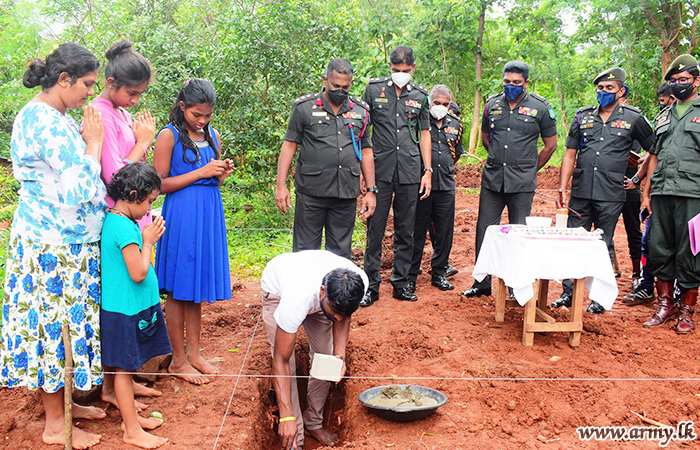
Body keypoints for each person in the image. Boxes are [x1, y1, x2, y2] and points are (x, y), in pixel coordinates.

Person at [0, 43, 107, 449]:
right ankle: (53, 424)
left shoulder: (54, 116)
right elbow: (80, 187)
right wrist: (93, 143)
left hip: (67, 241)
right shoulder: (44, 121)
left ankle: (65, 405)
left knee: (68, 322)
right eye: (86, 84)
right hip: (51, 247)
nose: (88, 94)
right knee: (54, 327)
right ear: (63, 79)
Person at [92, 39, 163, 410]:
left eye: (140, 94)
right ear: (110, 82)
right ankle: (114, 384)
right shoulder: (100, 113)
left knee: (132, 307)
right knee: (122, 306)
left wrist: (141, 143)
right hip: (119, 217)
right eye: (131, 93)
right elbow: (115, 176)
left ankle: (123, 381)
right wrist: (145, 141)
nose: (135, 100)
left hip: (134, 216)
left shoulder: (119, 112)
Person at [555, 67, 655, 314]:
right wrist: (562, 185)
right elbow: (570, 153)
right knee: (573, 242)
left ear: (621, 91)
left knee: (603, 244)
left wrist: (643, 184)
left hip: (611, 193)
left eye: (609, 88)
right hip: (581, 191)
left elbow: (654, 149)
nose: (603, 92)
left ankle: (599, 298)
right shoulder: (583, 116)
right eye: (599, 88)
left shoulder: (634, 118)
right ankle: (568, 293)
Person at [153, 79, 234, 384]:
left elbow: (216, 181)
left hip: (208, 211)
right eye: (196, 115)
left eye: (207, 116)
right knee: (178, 288)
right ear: (182, 106)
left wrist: (220, 172)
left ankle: (195, 354)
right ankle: (177, 360)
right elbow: (158, 185)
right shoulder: (168, 135)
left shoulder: (212, 135)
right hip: (183, 213)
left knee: (196, 287)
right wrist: (200, 172)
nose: (202, 121)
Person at [462, 60, 558, 298]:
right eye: (507, 82)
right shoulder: (492, 104)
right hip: (493, 180)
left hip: (522, 184)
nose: (511, 86)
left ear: (526, 83)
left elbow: (551, 145)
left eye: (516, 82)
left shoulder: (540, 107)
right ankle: (482, 284)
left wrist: (530, 168)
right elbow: (486, 138)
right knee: (484, 231)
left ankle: (516, 287)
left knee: (519, 234)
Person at [261, 250, 368, 449]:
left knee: (326, 359)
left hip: (317, 297)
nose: (336, 318)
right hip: (278, 291)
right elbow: (281, 362)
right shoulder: (295, 299)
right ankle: (295, 439)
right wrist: (286, 418)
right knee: (288, 366)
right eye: (334, 310)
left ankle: (313, 423)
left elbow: (343, 316)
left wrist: (339, 356)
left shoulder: (358, 283)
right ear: (322, 292)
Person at [275, 58, 376, 258]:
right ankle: (306, 290)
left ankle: (334, 291)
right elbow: (289, 146)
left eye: (345, 87)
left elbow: (366, 151)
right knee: (305, 253)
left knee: (340, 255)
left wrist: (371, 191)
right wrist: (281, 185)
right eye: (335, 85)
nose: (340, 90)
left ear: (351, 84)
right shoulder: (304, 107)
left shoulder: (361, 111)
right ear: (325, 80)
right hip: (312, 193)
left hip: (345, 193)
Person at [101, 163, 171, 449]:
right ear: (133, 194)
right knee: (124, 370)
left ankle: (132, 418)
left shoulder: (117, 220)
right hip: (125, 310)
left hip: (126, 307)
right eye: (149, 201)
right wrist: (149, 241)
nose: (149, 209)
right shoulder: (127, 231)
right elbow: (139, 272)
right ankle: (131, 430)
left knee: (124, 367)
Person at [360, 45, 432, 306]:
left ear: (413, 68)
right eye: (395, 70)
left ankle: (401, 283)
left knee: (406, 229)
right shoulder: (372, 90)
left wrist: (428, 171)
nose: (400, 74)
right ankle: (371, 286)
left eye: (405, 70)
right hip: (379, 170)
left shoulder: (422, 95)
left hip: (410, 170)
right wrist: (363, 173)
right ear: (389, 68)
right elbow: (363, 131)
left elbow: (425, 134)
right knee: (375, 229)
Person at [641, 54, 700, 333]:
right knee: (659, 247)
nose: (678, 85)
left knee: (691, 251)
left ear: (696, 81)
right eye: (674, 81)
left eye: (683, 80)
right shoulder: (663, 115)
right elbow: (653, 156)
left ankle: (687, 311)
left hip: (693, 194)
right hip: (662, 192)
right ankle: (665, 305)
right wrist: (646, 193)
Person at [622, 82, 676, 306]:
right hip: (660, 190)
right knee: (651, 240)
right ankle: (647, 286)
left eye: (664, 102)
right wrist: (639, 183)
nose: (662, 106)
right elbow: (652, 156)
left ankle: (681, 292)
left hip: (687, 191)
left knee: (685, 244)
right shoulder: (663, 121)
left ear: (671, 98)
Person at [409, 85, 463, 291]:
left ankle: (439, 272)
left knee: (444, 231)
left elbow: (456, 152)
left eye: (445, 104)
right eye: (437, 103)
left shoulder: (456, 124)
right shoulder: (419, 123)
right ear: (429, 102)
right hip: (422, 184)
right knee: (417, 230)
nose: (440, 107)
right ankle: (411, 275)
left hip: (446, 184)